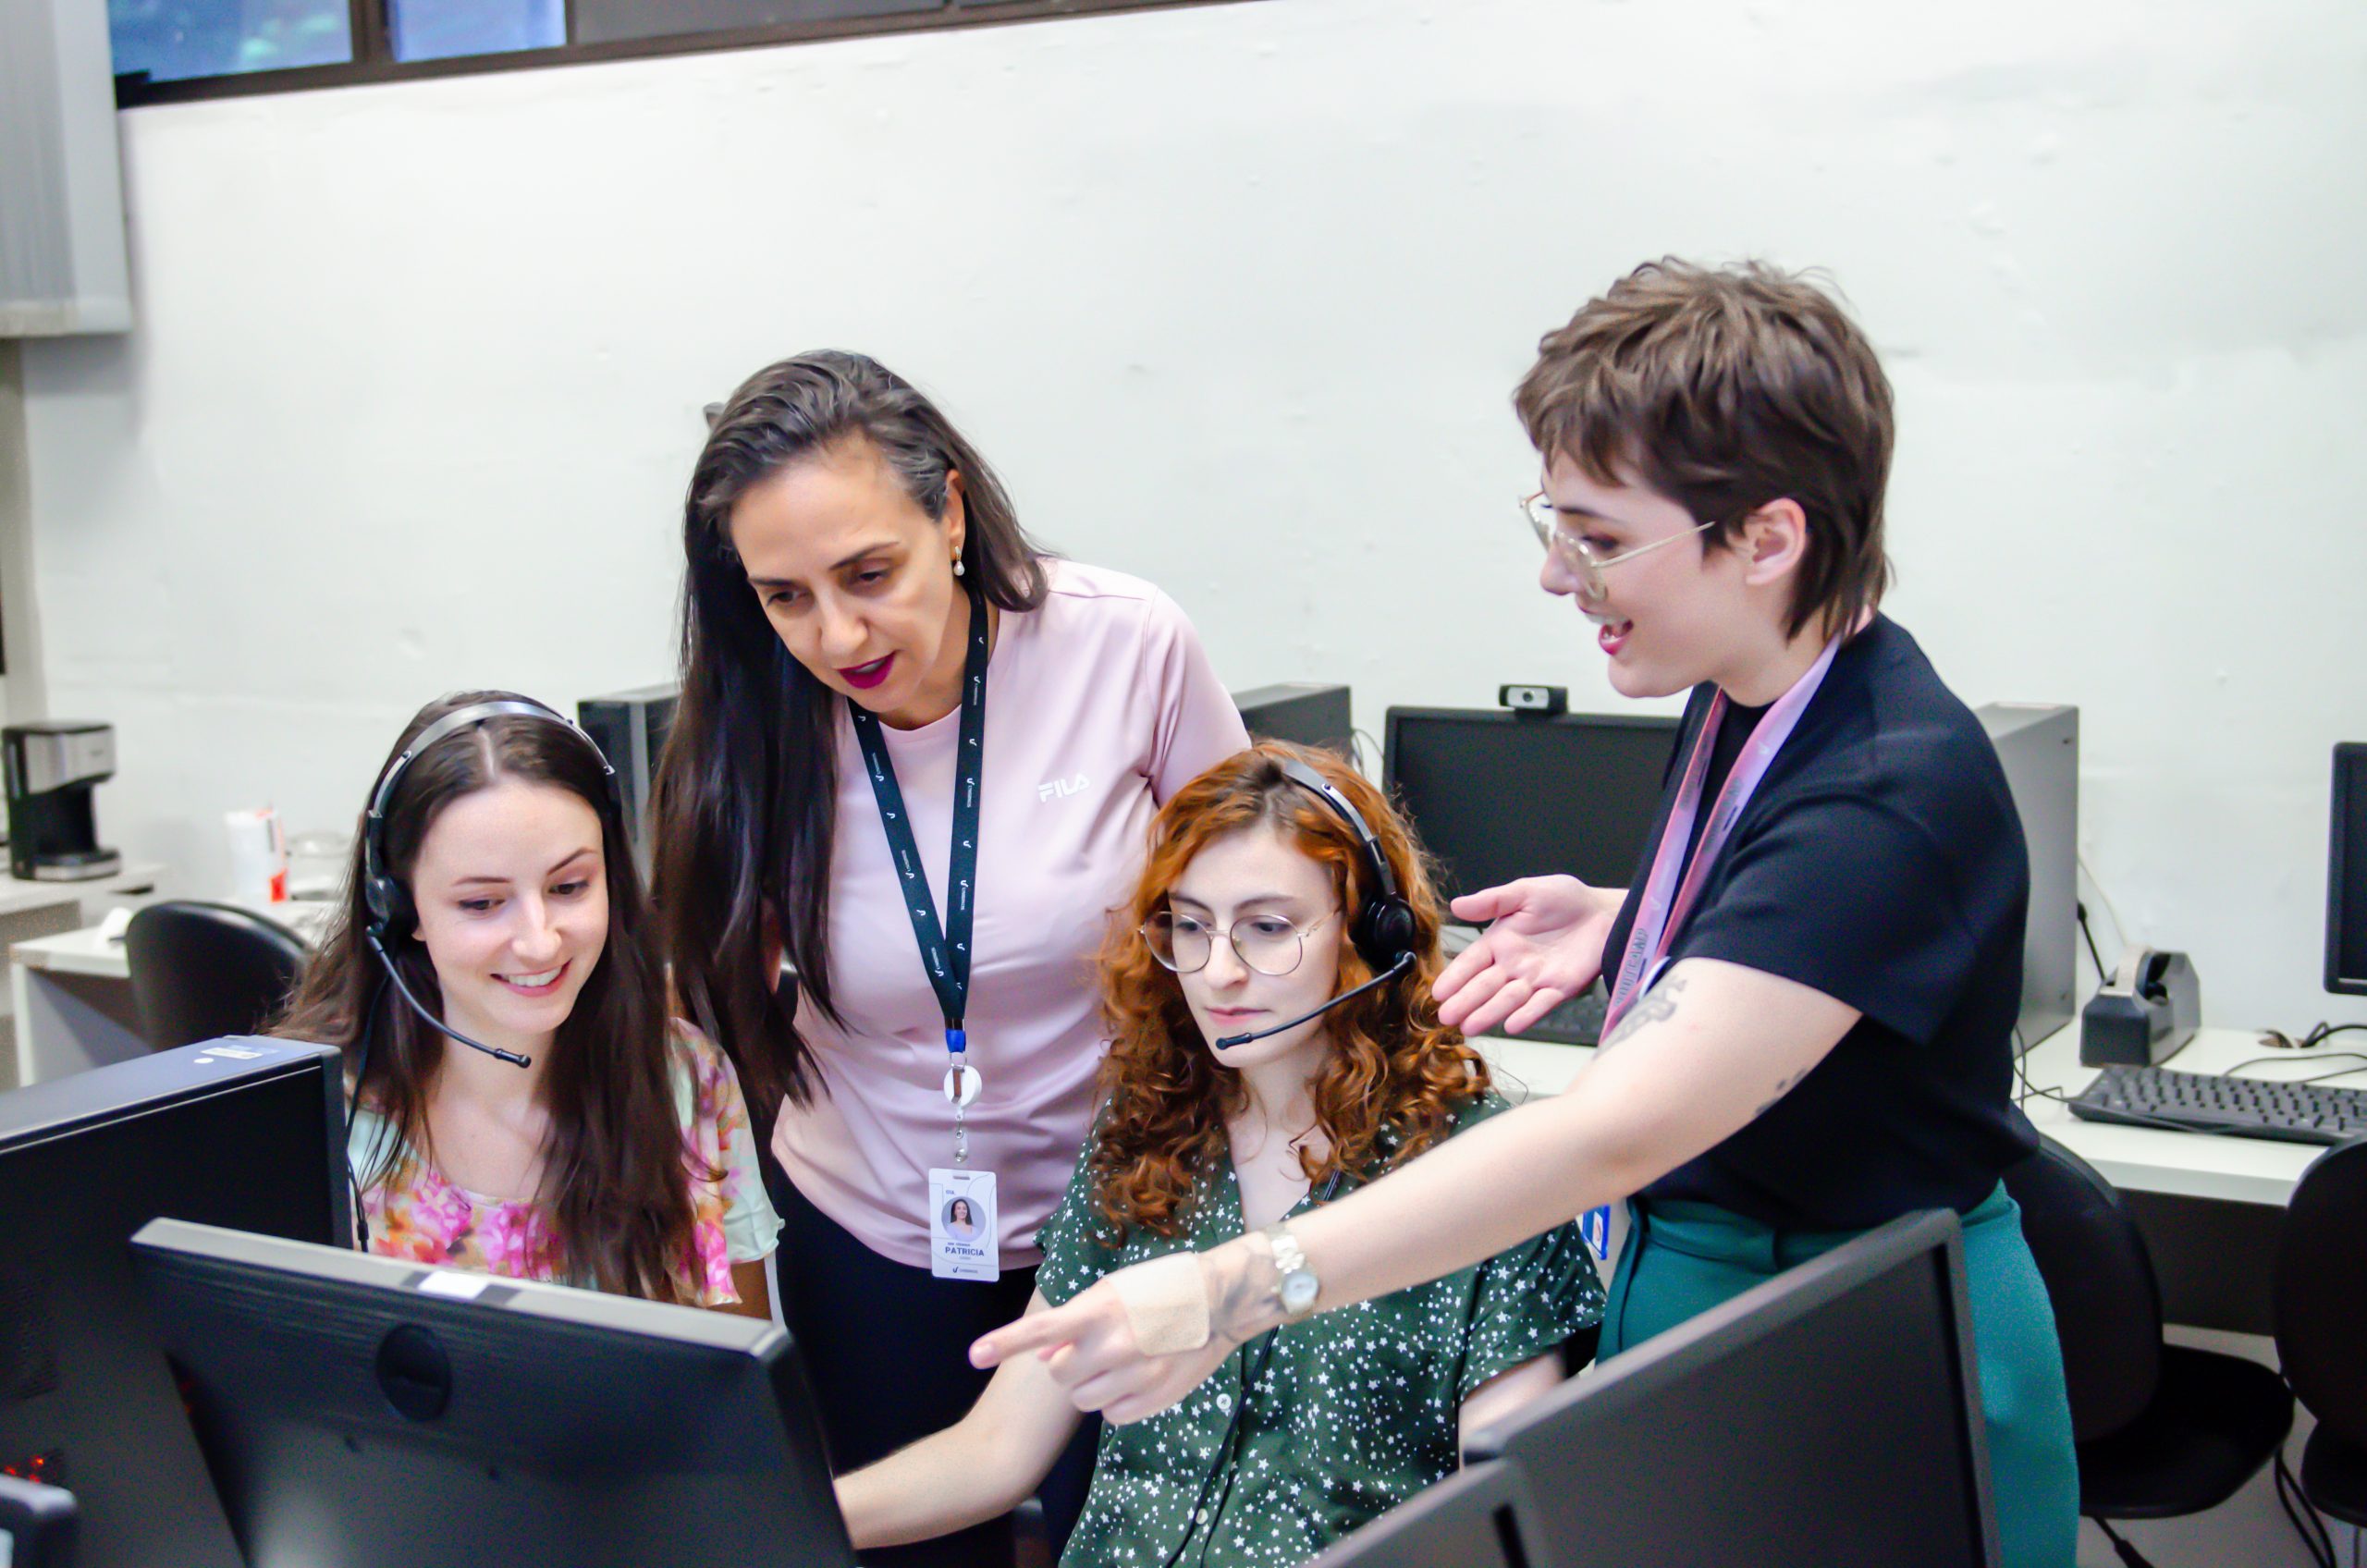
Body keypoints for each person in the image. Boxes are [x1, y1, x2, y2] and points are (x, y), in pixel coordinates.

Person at [977, 261, 2081, 1568]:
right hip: (1738, 1305)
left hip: (1864, 1348)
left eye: (1603, 539)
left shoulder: (1887, 792)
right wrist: (1638, 922)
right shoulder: (1760, 681)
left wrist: (1238, 1286)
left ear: (1769, 538)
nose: (1562, 577)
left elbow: (1608, 1138)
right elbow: (1803, 928)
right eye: (1553, 526)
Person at [651, 351, 1247, 1564]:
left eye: (871, 573)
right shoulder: (756, 717)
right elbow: (694, 992)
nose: (839, 633)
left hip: (1126, 1218)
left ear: (954, 516)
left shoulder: (1123, 646)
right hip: (872, 1237)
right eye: (785, 596)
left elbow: (1266, 908)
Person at [838, 744, 1602, 1565]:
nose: (1219, 974)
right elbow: (994, 1454)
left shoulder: (1486, 1170)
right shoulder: (1147, 1129)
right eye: (1191, 926)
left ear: (1373, 937)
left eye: (1268, 929)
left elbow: (1491, 1525)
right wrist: (749, 1521)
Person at [277, 692, 779, 1315]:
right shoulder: (313, 1118)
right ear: (398, 906)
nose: (539, 942)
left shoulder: (687, 1079)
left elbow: (739, 1374)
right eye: (483, 903)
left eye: (569, 887)